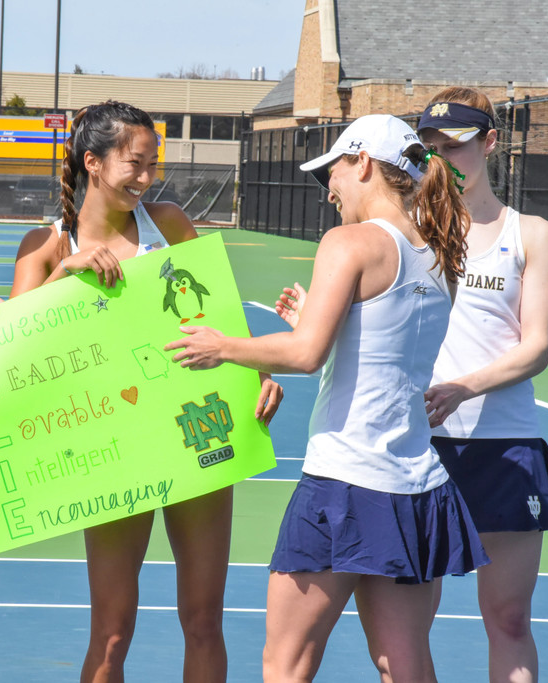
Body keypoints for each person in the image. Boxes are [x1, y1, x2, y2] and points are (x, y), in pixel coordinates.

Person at [166, 114, 489, 682]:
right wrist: (311, 324)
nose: (330, 189)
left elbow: (306, 355)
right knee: (405, 664)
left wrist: (223, 346)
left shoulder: (349, 243)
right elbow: (375, 353)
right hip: (416, 486)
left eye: (333, 173)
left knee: (285, 665)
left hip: (343, 483)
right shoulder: (441, 254)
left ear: (362, 162)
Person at [10, 100, 283, 683]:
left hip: (196, 433)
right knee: (111, 631)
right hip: (113, 451)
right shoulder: (46, 246)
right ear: (94, 162)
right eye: (135, 163)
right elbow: (13, 357)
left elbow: (223, 319)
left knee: (204, 620)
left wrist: (257, 372)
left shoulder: (174, 226)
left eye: (152, 164)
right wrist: (64, 276)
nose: (146, 177)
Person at [419, 87, 548, 683]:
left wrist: (462, 387)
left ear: (489, 142)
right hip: (419, 446)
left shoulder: (532, 233)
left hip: (504, 447)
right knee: (405, 624)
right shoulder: (410, 233)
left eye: (454, 144)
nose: (441, 157)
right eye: (428, 146)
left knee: (507, 619)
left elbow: (536, 348)